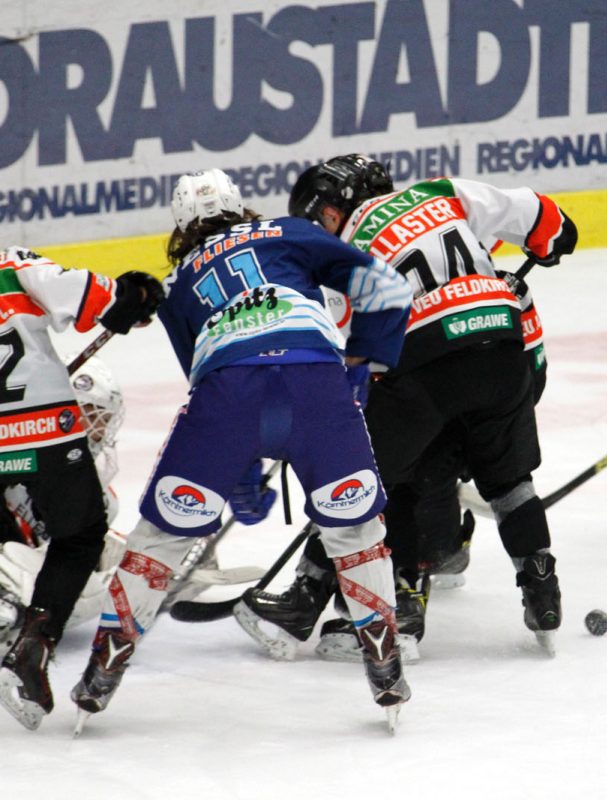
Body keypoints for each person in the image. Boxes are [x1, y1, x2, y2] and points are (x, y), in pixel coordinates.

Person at [69, 168, 413, 734]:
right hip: (314, 382)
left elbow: (206, 376)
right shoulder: (291, 232)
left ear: (181, 225)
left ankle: (103, 670)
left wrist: (241, 473)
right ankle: (384, 664)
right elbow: (389, 289)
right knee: (355, 530)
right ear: (240, 206)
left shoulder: (179, 283)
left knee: (161, 538)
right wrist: (364, 363)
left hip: (228, 397)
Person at [234, 154, 577, 661]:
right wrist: (551, 244)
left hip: (423, 359)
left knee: (365, 480)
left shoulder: (340, 253)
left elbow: (342, 355)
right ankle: (542, 589)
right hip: (503, 344)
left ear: (335, 209)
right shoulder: (439, 193)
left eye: (320, 218)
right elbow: (546, 218)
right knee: (508, 479)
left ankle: (320, 604)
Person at [0, 247, 163, 730]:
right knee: (82, 534)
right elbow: (97, 297)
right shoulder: (11, 265)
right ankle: (35, 642)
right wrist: (133, 295)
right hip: (43, 425)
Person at [0, 356, 127, 659]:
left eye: (104, 418)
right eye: (91, 414)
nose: (99, 427)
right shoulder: (17, 447)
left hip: (24, 576)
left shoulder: (100, 493)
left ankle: (14, 607)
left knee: (90, 584)